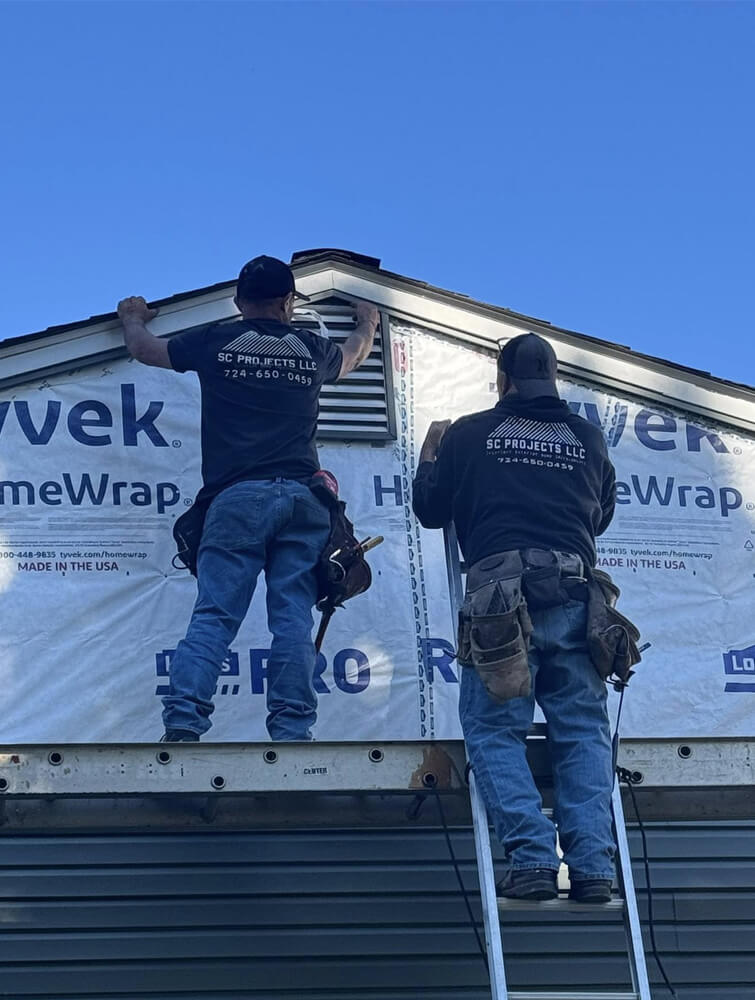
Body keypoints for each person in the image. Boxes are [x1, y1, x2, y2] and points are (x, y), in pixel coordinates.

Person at [117, 255, 379, 742]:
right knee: (292, 622)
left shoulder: (216, 341)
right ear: (289, 303)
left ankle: (183, 726)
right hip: (303, 501)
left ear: (239, 302)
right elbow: (355, 353)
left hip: (236, 500)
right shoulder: (311, 346)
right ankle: (293, 732)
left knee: (215, 617)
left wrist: (132, 316)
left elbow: (145, 349)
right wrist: (368, 319)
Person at [412, 332, 619, 904]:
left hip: (499, 603)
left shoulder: (471, 433)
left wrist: (429, 461)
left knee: (495, 730)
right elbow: (599, 516)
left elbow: (431, 510)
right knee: (581, 733)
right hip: (576, 600)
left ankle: (530, 860)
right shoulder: (588, 436)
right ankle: (592, 868)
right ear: (552, 380)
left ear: (502, 381)